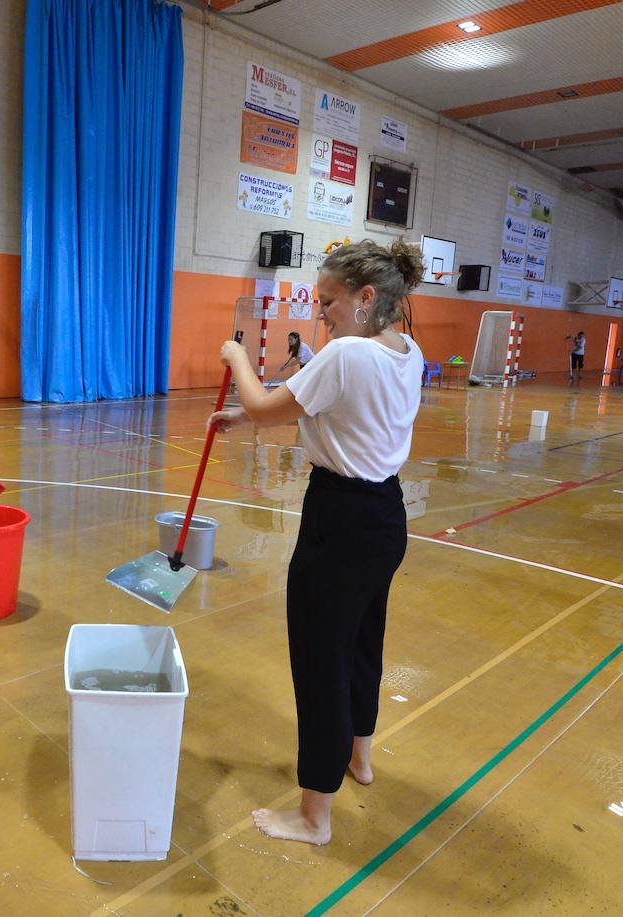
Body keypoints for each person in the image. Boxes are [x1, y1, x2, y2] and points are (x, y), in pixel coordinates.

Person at [209, 239, 425, 846]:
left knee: (320, 660)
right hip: (384, 515)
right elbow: (318, 407)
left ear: (366, 297)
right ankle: (360, 758)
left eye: (328, 301)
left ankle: (313, 816)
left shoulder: (346, 353)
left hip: (340, 520)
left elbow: (265, 399)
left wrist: (237, 361)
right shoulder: (406, 350)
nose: (320, 313)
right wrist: (245, 417)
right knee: (362, 642)